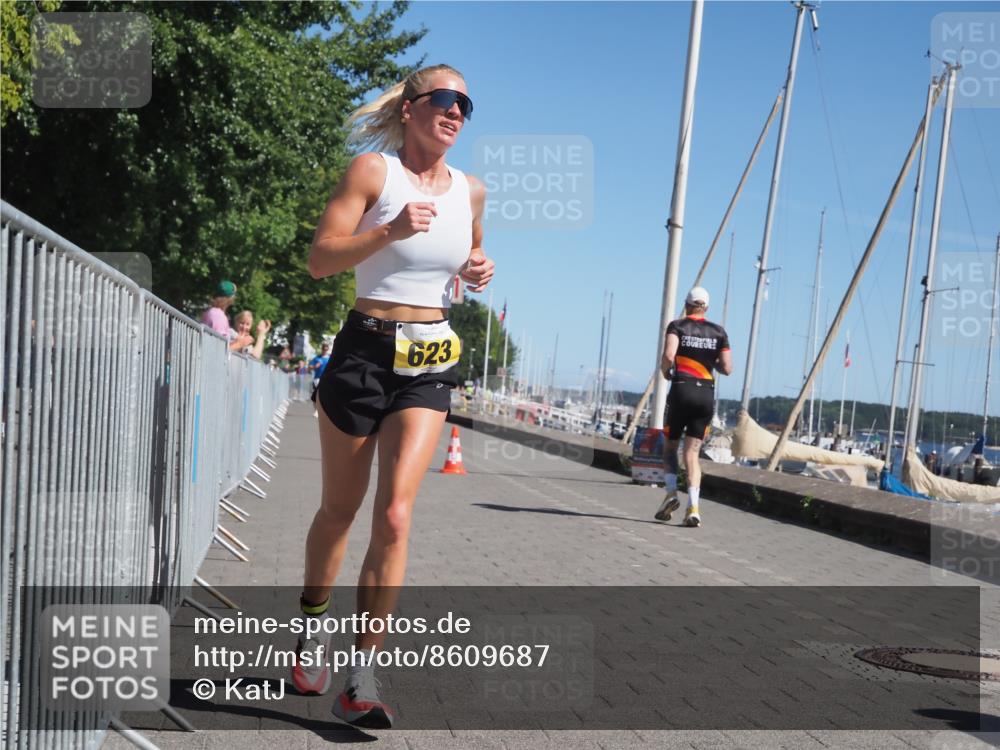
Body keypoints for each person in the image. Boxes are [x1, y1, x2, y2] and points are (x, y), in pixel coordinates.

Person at [294, 64, 493, 729]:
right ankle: (313, 623)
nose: (456, 111)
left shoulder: (473, 192)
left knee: (397, 515)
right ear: (411, 108)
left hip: (429, 358)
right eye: (444, 99)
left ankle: (361, 675)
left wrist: (476, 268)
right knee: (338, 512)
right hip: (363, 350)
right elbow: (321, 259)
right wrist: (390, 231)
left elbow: (473, 258)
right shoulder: (372, 174)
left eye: (465, 104)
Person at [654, 287, 732, 527]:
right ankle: (694, 507)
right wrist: (710, 361)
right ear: (706, 307)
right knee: (692, 454)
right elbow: (727, 368)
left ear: (686, 305)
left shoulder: (677, 326)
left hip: (681, 390)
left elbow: (669, 355)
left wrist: (667, 372)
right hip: (705, 394)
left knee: (669, 449)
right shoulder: (719, 332)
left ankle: (670, 493)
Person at [201, 280, 254, 352]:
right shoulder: (218, 316)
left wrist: (237, 342)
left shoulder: (213, 312)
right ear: (230, 299)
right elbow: (219, 350)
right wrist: (241, 343)